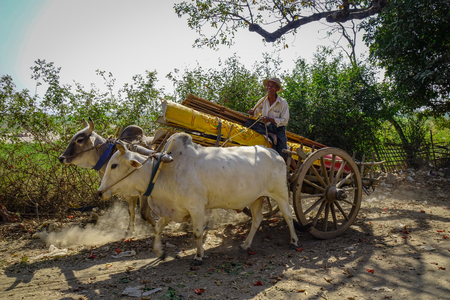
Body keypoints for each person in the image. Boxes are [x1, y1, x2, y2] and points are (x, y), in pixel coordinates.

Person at [244, 77, 297, 170]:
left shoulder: (283, 103)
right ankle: (270, 135)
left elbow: (285, 120)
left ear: (277, 89)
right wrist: (252, 112)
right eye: (268, 85)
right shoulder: (263, 100)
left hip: (278, 129)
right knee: (248, 123)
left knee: (283, 153)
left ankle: (297, 171)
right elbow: (255, 114)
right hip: (266, 127)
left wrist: (270, 119)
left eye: (272, 86)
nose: (269, 88)